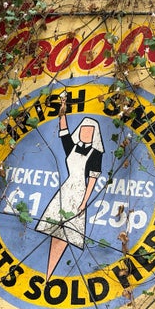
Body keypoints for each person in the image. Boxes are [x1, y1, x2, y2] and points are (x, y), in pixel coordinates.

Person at [35, 95, 105, 280]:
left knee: (67, 233)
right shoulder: (72, 147)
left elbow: (92, 181)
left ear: (94, 135)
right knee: (54, 229)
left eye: (89, 132)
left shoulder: (96, 154)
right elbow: (64, 131)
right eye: (83, 130)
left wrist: (84, 202)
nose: (85, 134)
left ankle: (50, 274)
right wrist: (63, 109)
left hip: (79, 193)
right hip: (65, 191)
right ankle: (48, 274)